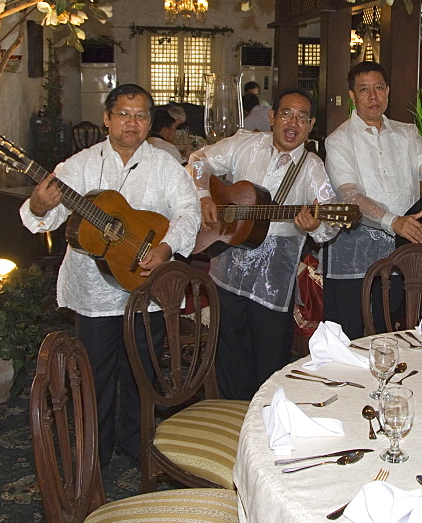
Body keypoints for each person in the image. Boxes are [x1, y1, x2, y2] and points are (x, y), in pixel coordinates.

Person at [20, 83, 201, 467]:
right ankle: (94, 453)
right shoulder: (79, 165)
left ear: (150, 122)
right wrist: (37, 206)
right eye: (123, 114)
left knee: (143, 371)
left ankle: (136, 442)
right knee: (93, 376)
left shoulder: (165, 165)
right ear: (107, 118)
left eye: (140, 115)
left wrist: (166, 247)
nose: (131, 123)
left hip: (145, 286)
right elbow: (46, 219)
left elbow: (189, 212)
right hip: (93, 292)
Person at [188, 87, 338, 400]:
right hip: (228, 265)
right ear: (272, 117)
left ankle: (264, 426)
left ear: (310, 126)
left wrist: (317, 224)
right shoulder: (244, 143)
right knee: (228, 351)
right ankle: (229, 423)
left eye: (302, 117)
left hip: (273, 278)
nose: (292, 122)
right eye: (286, 113)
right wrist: (204, 196)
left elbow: (331, 220)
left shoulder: (312, 168)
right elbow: (199, 159)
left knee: (269, 359)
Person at [323, 61, 422, 339]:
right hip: (356, 251)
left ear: (388, 91)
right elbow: (350, 194)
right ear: (352, 96)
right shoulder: (338, 140)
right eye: (364, 90)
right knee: (353, 333)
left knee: (394, 329)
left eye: (379, 88)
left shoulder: (407, 133)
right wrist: (392, 221)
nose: (373, 96)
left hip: (402, 247)